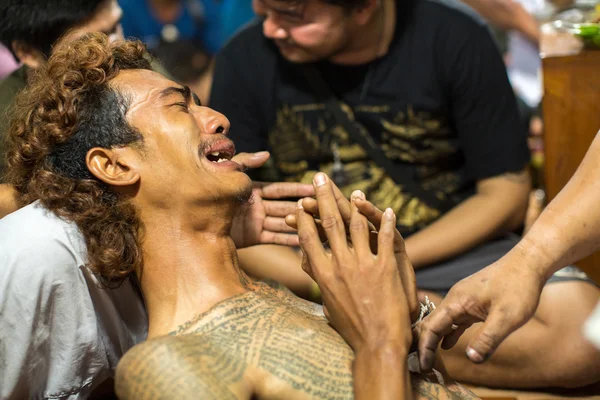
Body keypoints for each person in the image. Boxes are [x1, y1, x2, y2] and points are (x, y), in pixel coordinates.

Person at [6, 33, 475, 400]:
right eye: (179, 107)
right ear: (115, 164)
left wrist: (404, 316)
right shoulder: (167, 364)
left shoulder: (289, 299)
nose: (218, 118)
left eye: (199, 101)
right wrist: (380, 341)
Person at [210, 0, 534, 297]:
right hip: (306, 270)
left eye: (291, 15)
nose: (270, 29)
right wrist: (327, 283)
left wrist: (385, 265)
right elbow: (226, 219)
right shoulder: (244, 59)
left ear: (364, 8)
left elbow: (506, 191)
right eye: (263, 10)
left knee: (571, 321)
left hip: (445, 254)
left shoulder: (454, 38)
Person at [418, 131, 600, 376]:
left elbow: (505, 195)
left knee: (585, 336)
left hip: (469, 249)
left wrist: (530, 259)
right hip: (360, 260)